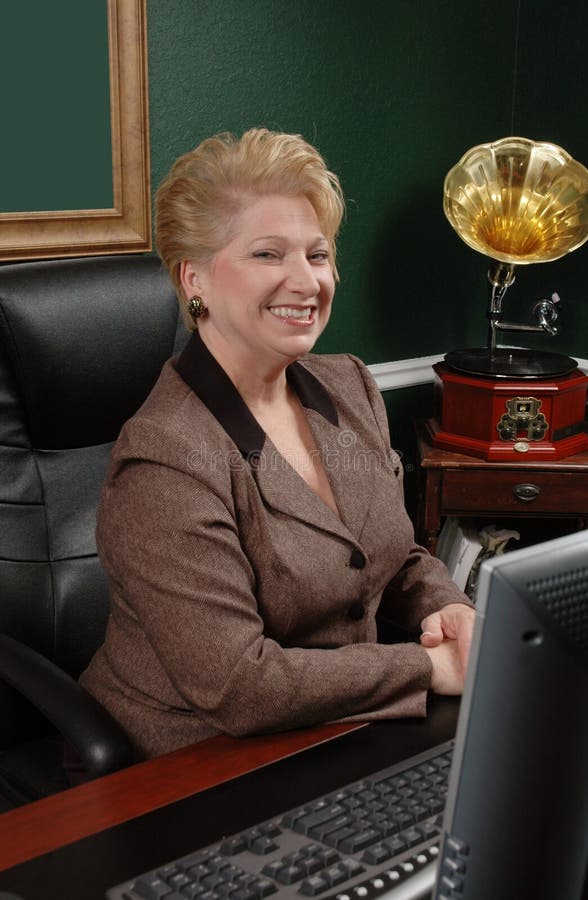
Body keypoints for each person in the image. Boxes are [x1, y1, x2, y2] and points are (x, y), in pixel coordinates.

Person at [80, 128, 474, 760]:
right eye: (268, 254)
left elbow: (390, 556)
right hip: (193, 760)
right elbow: (240, 685)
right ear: (195, 279)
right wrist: (427, 670)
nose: (306, 281)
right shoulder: (163, 458)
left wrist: (451, 611)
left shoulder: (348, 384)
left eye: (317, 256)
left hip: (344, 723)